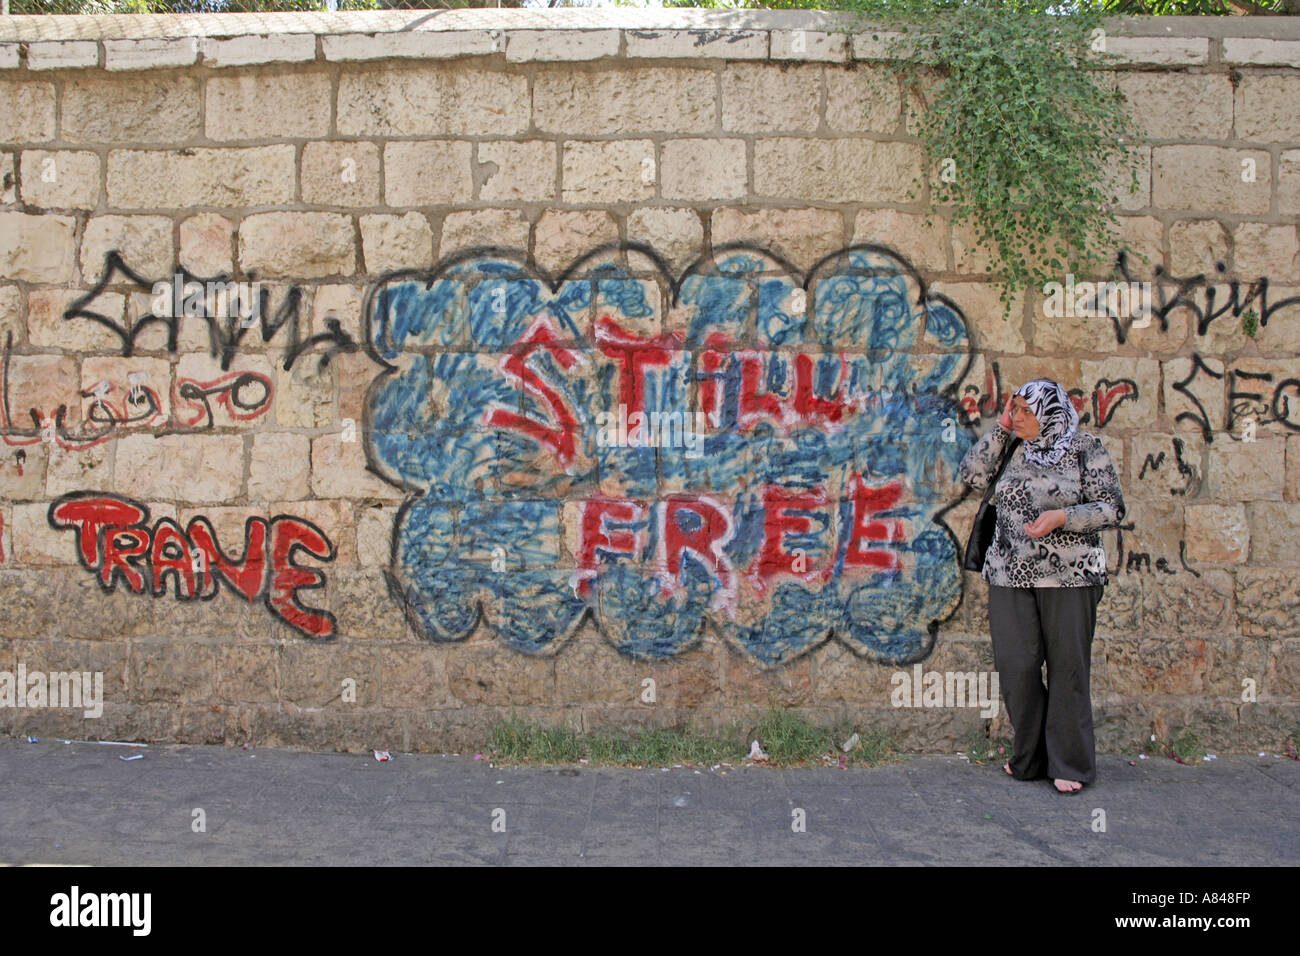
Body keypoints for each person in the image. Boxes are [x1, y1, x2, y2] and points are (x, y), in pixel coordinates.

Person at [957, 378, 1126, 793]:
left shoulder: (1087, 449)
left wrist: (1063, 518)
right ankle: (1030, 756)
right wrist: (1000, 428)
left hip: (1071, 576)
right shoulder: (1012, 446)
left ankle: (1070, 762)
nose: (1018, 418)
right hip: (1009, 573)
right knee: (1016, 666)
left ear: (1051, 412)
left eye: (1026, 412)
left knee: (1068, 668)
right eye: (1016, 409)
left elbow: (1112, 508)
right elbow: (972, 475)